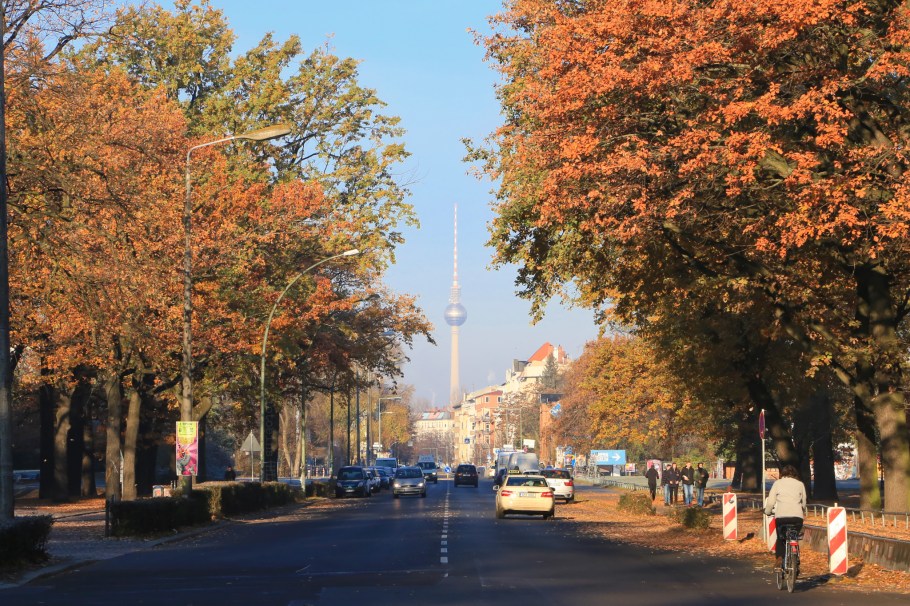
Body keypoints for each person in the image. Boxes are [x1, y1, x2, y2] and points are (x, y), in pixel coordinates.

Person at [764, 464, 807, 570]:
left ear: (782, 474)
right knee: (794, 537)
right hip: (797, 517)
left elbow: (770, 502)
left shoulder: (777, 484)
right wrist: (802, 510)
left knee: (780, 539)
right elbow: (804, 502)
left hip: (781, 517)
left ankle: (779, 558)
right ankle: (795, 557)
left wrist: (767, 511)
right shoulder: (800, 484)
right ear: (795, 474)